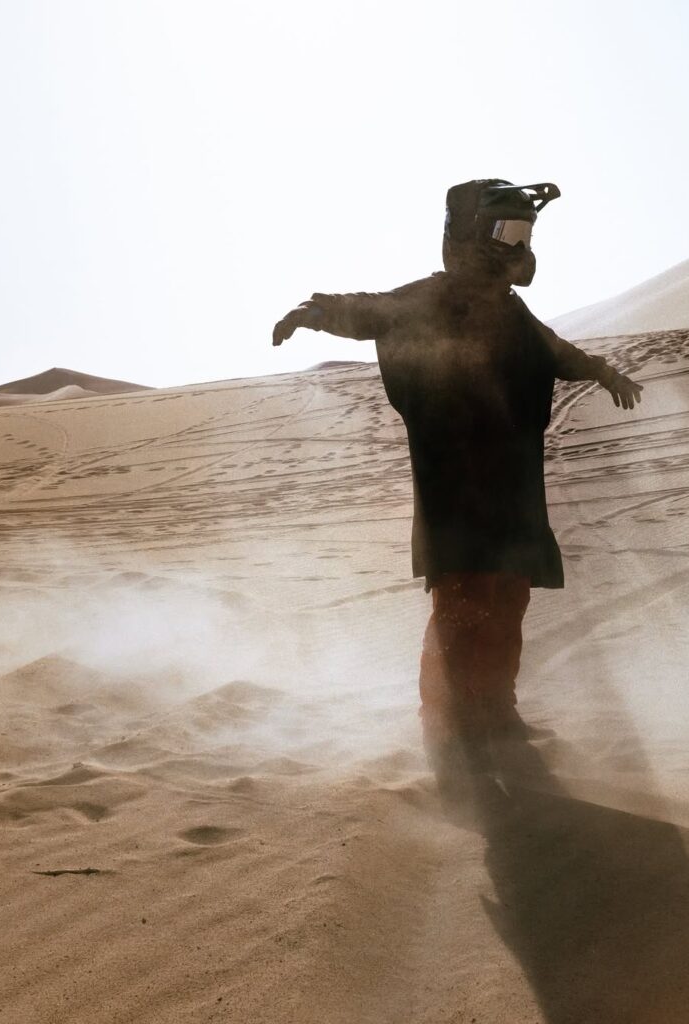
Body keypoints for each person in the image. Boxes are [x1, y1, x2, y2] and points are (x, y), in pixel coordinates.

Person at [272, 178, 642, 785]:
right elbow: (370, 310)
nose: (518, 247)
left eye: (524, 233)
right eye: (506, 232)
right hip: (455, 493)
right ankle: (447, 733)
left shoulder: (510, 310)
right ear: (470, 234)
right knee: (463, 608)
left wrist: (601, 370)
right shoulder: (431, 299)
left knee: (508, 601)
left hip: (513, 489)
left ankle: (495, 713)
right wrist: (316, 312)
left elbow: (553, 350)